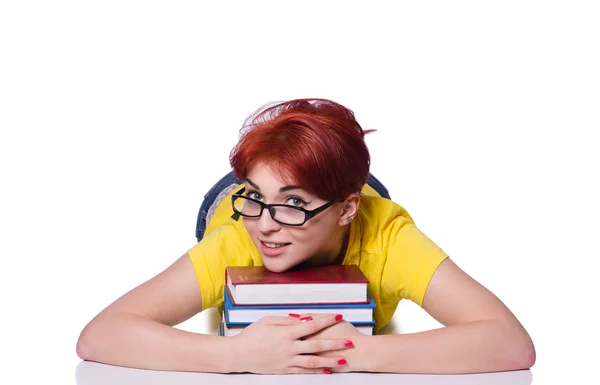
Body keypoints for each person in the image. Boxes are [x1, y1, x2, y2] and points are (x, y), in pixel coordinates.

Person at [76, 98, 536, 374]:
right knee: (269, 199)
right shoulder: (240, 232)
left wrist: (348, 352)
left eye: (293, 204)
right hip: (233, 202)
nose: (268, 224)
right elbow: (99, 336)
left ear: (348, 209)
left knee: (319, 190)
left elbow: (511, 344)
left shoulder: (388, 236)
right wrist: (238, 354)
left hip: (344, 199)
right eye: (255, 196)